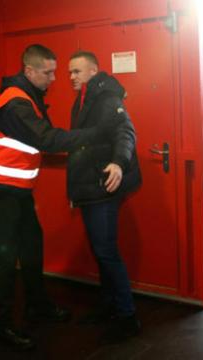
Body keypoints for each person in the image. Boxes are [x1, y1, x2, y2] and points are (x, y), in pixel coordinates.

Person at [0, 44, 100, 351]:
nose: (55, 78)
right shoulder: (15, 103)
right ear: (29, 71)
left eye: (55, 71)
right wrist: (97, 133)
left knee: (31, 244)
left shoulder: (28, 97)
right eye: (48, 72)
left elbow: (36, 142)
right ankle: (0, 327)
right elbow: (47, 139)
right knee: (5, 256)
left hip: (14, 187)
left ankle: (36, 305)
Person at [66, 51, 142, 344]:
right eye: (69, 72)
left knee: (107, 251)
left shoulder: (108, 99)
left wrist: (119, 163)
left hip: (102, 186)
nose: (71, 76)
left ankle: (127, 316)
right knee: (101, 251)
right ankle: (109, 305)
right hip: (89, 187)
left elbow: (126, 132)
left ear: (93, 71)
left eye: (77, 71)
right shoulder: (84, 99)